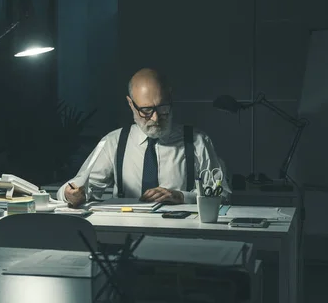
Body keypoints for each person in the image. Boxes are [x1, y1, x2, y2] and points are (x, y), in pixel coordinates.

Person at [57, 68, 230, 207]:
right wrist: (70, 195)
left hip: (181, 234)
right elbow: (77, 188)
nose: (155, 118)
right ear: (131, 104)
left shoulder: (198, 141)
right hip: (126, 234)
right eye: (146, 110)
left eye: (162, 108)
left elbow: (223, 195)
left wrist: (181, 196)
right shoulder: (113, 142)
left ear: (170, 98)